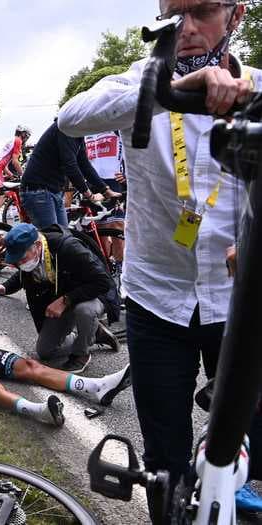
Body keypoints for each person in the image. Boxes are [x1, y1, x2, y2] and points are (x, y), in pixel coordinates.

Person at [57, 1, 262, 518]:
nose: (188, 29)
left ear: (235, 16)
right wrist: (167, 87)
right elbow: (71, 117)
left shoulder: (258, 87)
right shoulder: (139, 83)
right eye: (176, 15)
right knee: (164, 458)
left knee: (250, 457)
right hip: (156, 301)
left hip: (237, 299)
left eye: (204, 12)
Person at [0, 244, 132, 426]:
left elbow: (23, 279)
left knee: (31, 366)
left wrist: (7, 287)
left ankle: (96, 386)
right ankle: (38, 411)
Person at [0, 223, 120, 373]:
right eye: (16, 260)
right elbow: (22, 274)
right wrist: (6, 287)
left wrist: (65, 300)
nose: (19, 263)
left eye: (22, 258)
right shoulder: (32, 253)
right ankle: (96, 333)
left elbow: (103, 282)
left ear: (38, 245)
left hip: (95, 292)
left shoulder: (69, 248)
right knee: (45, 351)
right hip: (66, 295)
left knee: (85, 310)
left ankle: (81, 354)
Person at [20, 122, 120, 230]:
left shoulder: (77, 134)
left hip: (55, 190)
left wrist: (106, 190)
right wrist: (90, 195)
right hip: (38, 190)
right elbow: (70, 165)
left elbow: (85, 165)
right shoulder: (65, 129)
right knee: (54, 240)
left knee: (65, 237)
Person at [84, 131, 126, 271]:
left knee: (116, 226)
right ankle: (107, 267)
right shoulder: (86, 130)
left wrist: (127, 173)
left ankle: (121, 267)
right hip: (92, 183)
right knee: (99, 229)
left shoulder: (115, 127)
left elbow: (132, 150)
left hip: (114, 181)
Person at [0, 126, 30, 195]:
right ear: (23, 134)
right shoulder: (18, 141)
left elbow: (3, 166)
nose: (26, 138)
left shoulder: (12, 140)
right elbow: (15, 161)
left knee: (0, 195)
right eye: (27, 136)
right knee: (2, 196)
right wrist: (23, 175)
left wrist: (12, 175)